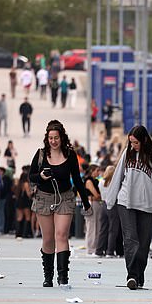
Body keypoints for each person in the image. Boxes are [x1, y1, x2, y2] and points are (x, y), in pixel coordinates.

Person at [105, 125, 152, 290]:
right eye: (131, 142)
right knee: (131, 239)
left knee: (143, 243)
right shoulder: (127, 154)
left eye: (135, 142)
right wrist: (110, 199)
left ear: (143, 140)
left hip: (147, 204)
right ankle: (132, 275)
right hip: (126, 201)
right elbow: (118, 176)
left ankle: (138, 274)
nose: (133, 145)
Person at [29, 120, 91, 287]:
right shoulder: (41, 154)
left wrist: (86, 202)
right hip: (44, 197)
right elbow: (31, 176)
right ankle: (48, 276)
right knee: (48, 238)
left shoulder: (70, 155)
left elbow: (77, 179)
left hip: (65, 198)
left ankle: (63, 277)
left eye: (56, 138)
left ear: (62, 138)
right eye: (50, 138)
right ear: (47, 138)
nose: (53, 141)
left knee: (61, 235)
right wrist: (40, 177)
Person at [83, 164, 103, 256]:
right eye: (97, 170)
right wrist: (100, 197)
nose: (98, 172)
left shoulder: (96, 180)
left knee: (97, 226)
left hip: (96, 204)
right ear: (92, 171)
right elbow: (96, 195)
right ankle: (90, 248)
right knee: (91, 226)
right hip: (91, 204)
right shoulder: (89, 181)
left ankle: (95, 246)